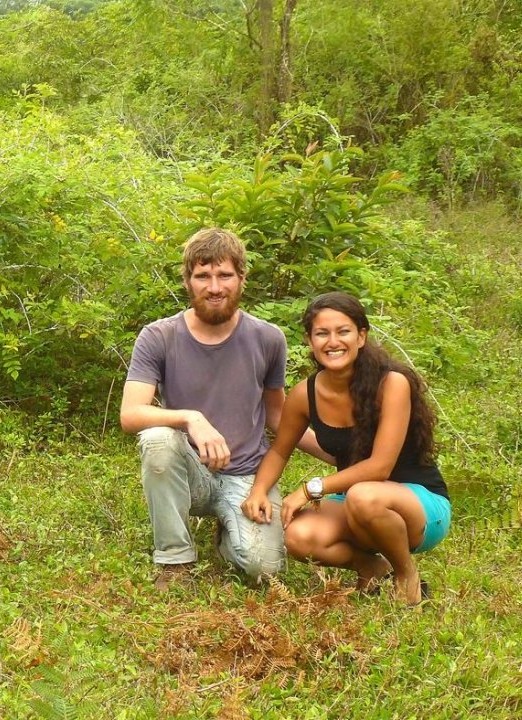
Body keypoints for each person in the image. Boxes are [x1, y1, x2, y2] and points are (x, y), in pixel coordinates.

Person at [119, 228, 328, 589]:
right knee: (157, 438)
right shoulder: (159, 336)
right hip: (189, 473)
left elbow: (277, 415)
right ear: (188, 282)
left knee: (263, 569)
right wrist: (190, 418)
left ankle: (228, 536)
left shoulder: (268, 338)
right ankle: (174, 560)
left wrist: (341, 454)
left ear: (242, 279)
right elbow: (130, 414)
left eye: (225, 275)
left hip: (247, 476)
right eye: (203, 276)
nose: (214, 287)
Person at [241, 291, 451, 605]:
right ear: (310, 341)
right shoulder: (304, 394)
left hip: (417, 504)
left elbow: (379, 467)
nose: (332, 341)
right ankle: (371, 567)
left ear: (361, 336)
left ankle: (406, 573)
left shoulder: (392, 384)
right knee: (298, 536)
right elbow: (280, 451)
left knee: (364, 495)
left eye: (343, 331)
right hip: (355, 501)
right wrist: (258, 490)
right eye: (322, 333)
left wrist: (312, 488)